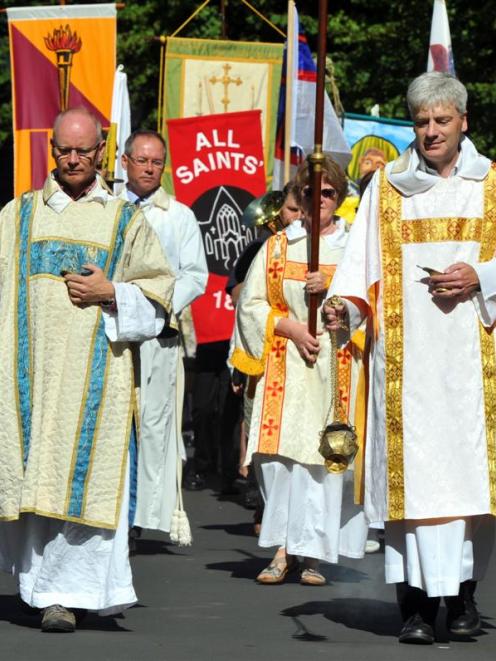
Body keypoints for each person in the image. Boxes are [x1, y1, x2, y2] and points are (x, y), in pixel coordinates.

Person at [325, 71, 496, 644]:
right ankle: (416, 606)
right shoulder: (387, 189)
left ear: (463, 122)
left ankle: (465, 598)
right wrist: (342, 311)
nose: (431, 131)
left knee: (468, 483)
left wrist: (480, 276)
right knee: (413, 487)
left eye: (441, 120)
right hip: (404, 368)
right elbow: (357, 272)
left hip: (474, 366)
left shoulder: (491, 184)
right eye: (421, 122)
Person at [0, 108, 175, 632]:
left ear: (102, 150)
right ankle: (44, 591)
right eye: (63, 150)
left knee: (81, 480)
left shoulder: (126, 220)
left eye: (83, 150)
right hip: (29, 378)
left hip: (95, 383)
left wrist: (112, 293)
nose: (73, 160)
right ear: (50, 150)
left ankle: (73, 592)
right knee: (38, 483)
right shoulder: (19, 215)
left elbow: (160, 295)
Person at [232, 157, 368, 586]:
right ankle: (282, 547)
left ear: (340, 197)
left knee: (324, 460)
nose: (319, 200)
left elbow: (372, 304)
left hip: (337, 363)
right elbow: (250, 304)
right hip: (286, 365)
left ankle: (314, 553)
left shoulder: (354, 249)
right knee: (282, 460)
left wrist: (332, 295)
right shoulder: (278, 247)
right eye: (310, 192)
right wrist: (288, 326)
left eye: (328, 192)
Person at [119, 129, 208, 539]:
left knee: (153, 425)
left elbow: (196, 275)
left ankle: (144, 515)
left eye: (157, 162)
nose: (150, 169)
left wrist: (157, 302)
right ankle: (115, 508)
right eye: (142, 160)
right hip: (115, 333)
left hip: (158, 333)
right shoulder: (111, 207)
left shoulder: (179, 215)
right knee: (115, 424)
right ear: (125, 161)